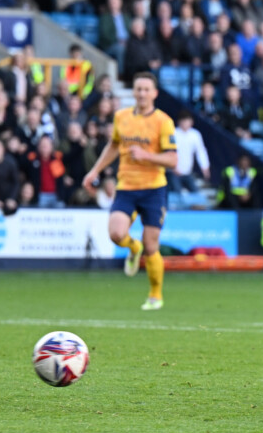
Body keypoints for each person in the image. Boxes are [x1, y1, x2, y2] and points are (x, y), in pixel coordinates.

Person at [82, 72, 178, 311]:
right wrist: (94, 171)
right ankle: (133, 248)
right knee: (116, 234)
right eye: (138, 89)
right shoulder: (121, 117)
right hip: (126, 186)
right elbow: (114, 146)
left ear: (154, 93)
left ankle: (155, 295)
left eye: (146, 89)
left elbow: (173, 160)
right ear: (133, 92)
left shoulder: (163, 121)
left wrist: (146, 156)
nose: (142, 93)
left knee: (151, 245)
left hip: (154, 189)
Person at [168, 110, 210, 193]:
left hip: (187, 172)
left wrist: (205, 167)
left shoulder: (195, 134)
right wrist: (173, 167)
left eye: (187, 121)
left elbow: (201, 151)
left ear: (191, 122)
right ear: (179, 122)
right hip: (174, 172)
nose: (185, 123)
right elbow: (169, 151)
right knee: (177, 193)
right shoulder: (173, 134)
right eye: (183, 121)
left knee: (196, 193)